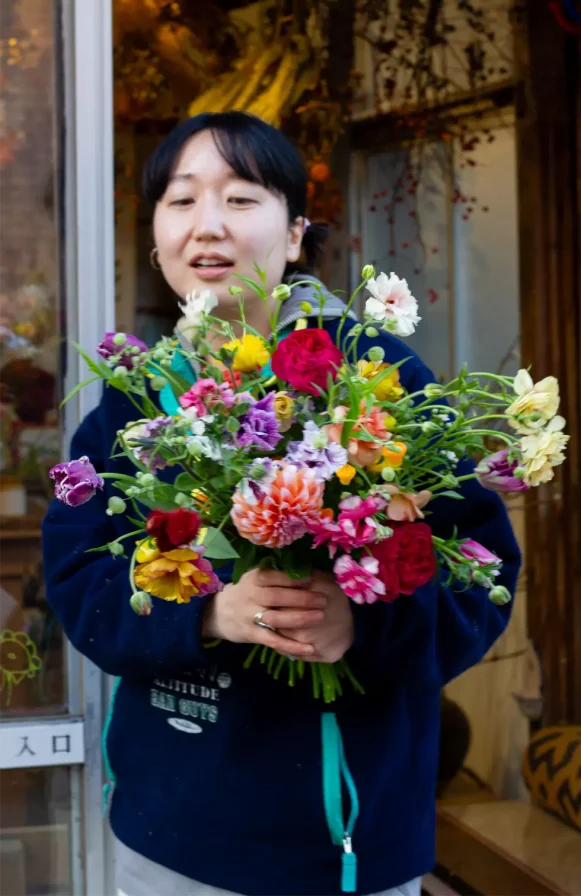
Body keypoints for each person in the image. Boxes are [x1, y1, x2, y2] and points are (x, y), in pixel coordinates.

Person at [42, 112, 521, 896]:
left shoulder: (378, 380)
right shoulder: (132, 407)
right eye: (181, 200)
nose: (207, 226)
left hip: (348, 846)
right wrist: (207, 613)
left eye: (239, 199)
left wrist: (360, 620)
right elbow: (78, 582)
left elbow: (478, 577)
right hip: (174, 837)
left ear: (295, 233)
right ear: (156, 238)